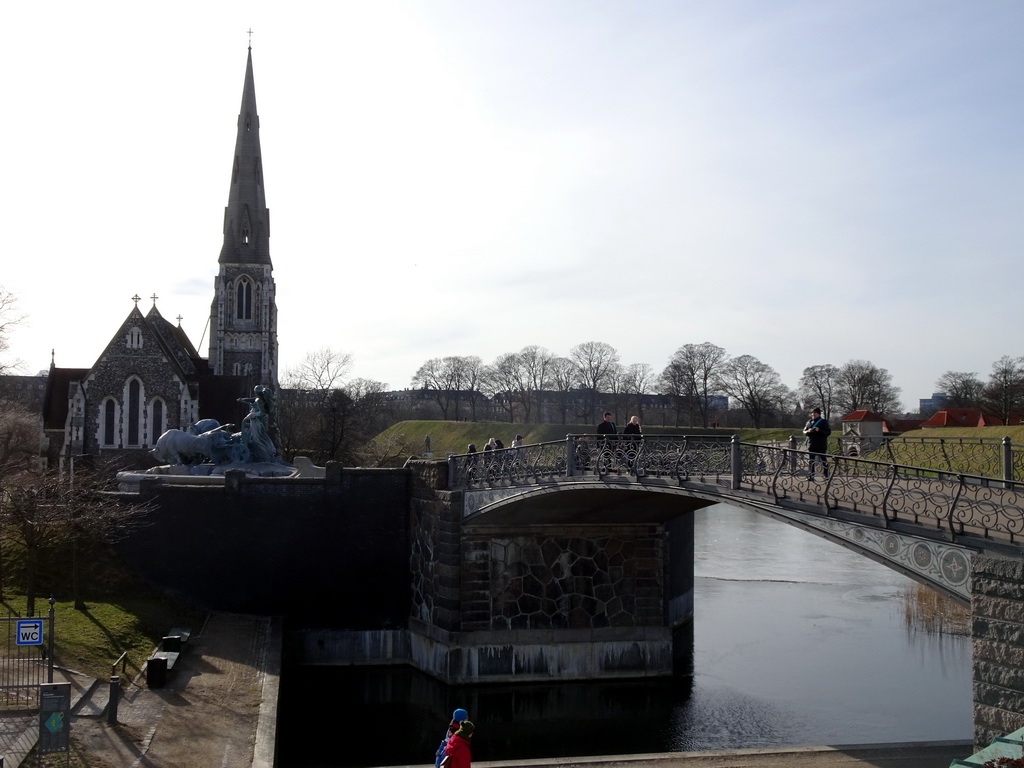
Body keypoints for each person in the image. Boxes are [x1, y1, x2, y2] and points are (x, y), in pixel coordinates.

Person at [803, 407, 832, 479]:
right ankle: (810, 475)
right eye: (812, 413)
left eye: (815, 413)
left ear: (818, 414)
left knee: (823, 460)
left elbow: (828, 432)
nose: (813, 414)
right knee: (811, 461)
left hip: (821, 444)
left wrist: (819, 430)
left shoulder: (823, 422)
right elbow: (804, 431)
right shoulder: (809, 422)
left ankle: (826, 475)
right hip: (812, 444)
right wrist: (808, 431)